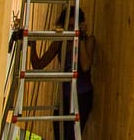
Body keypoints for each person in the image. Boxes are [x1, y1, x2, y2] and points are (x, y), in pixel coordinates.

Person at [30, 8, 94, 140]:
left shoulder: (89, 40)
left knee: (71, 135)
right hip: (65, 96)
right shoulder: (60, 42)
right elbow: (39, 65)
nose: (71, 30)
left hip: (82, 96)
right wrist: (33, 45)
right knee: (59, 131)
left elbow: (86, 65)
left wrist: (80, 38)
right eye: (68, 27)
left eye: (73, 27)